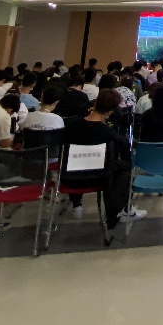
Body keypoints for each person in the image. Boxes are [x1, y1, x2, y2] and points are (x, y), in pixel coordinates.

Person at [60, 89, 144, 233]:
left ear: (95, 103)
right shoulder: (110, 135)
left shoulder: (71, 125)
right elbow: (126, 155)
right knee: (126, 166)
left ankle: (76, 204)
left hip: (69, 178)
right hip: (100, 178)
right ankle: (119, 210)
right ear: (111, 111)